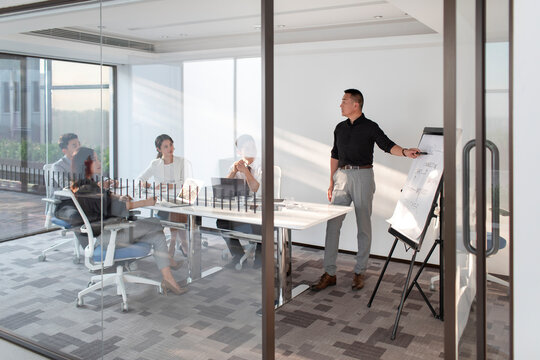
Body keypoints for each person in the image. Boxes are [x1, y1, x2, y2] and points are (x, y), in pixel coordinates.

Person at [310, 89, 421, 292]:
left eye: (344, 101)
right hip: (341, 177)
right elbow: (335, 154)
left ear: (356, 104)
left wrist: (405, 152)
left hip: (363, 177)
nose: (340, 104)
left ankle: (360, 272)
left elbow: (387, 145)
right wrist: (331, 181)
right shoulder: (339, 128)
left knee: (363, 226)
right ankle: (329, 273)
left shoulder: (370, 127)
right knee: (332, 225)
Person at [71, 147, 186, 295]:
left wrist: (119, 197)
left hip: (111, 231)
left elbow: (106, 199)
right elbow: (115, 207)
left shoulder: (88, 185)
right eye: (95, 159)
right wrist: (146, 202)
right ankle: (169, 260)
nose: (99, 162)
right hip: (106, 236)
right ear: (86, 163)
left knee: (157, 235)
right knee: (156, 223)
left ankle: (169, 280)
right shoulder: (87, 189)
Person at [137, 134, 192, 260]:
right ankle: (182, 243)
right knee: (176, 212)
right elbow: (140, 179)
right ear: (159, 149)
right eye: (166, 146)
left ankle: (173, 242)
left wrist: (169, 186)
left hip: (180, 200)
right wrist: (146, 184)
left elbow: (186, 182)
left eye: (171, 145)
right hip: (163, 204)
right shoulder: (155, 164)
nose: (170, 148)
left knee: (178, 209)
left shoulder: (181, 161)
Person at [217, 134, 263, 269]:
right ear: (239, 152)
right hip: (241, 209)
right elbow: (223, 192)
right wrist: (233, 172)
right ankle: (237, 255)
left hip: (259, 209)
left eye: (252, 146)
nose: (251, 149)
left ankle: (260, 256)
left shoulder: (262, 165)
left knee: (261, 222)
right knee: (221, 222)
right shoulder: (236, 165)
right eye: (247, 147)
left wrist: (246, 172)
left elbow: (256, 189)